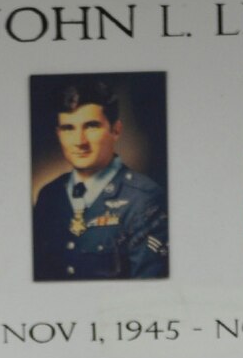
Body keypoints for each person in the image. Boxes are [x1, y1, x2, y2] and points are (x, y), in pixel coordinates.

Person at [31, 79, 169, 281]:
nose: (79, 141)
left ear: (116, 130)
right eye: (69, 128)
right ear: (59, 134)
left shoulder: (145, 200)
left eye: (91, 126)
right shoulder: (49, 196)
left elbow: (147, 292)